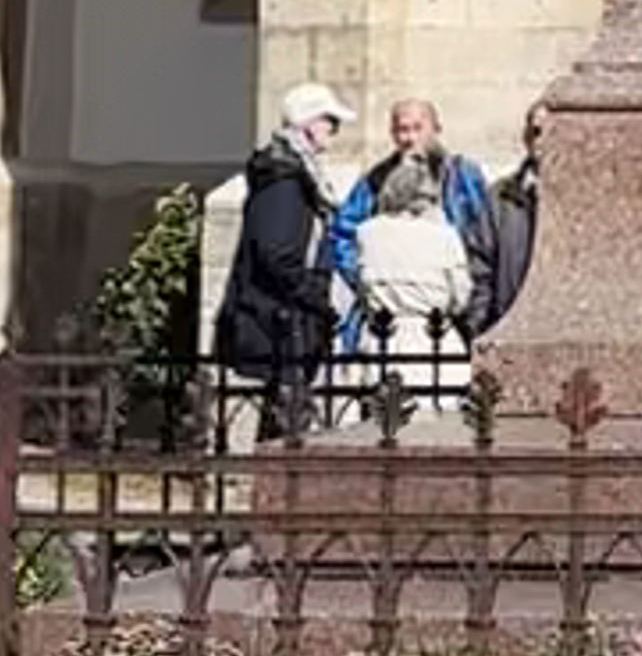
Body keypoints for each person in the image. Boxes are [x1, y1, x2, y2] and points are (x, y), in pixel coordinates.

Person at [210, 81, 347, 437]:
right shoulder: (283, 182)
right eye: (329, 121)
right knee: (283, 425)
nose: (334, 131)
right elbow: (278, 253)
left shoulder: (293, 174)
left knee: (284, 421)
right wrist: (318, 296)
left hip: (285, 320)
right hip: (277, 321)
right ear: (308, 124)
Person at [333, 97, 494, 381]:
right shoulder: (376, 179)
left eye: (417, 128)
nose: (408, 138)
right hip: (389, 314)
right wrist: (363, 278)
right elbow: (344, 234)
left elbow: (484, 234)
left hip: (452, 307)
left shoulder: (463, 175)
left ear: (435, 128)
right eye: (401, 130)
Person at [483, 101, 548, 328]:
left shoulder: (583, 194)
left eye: (553, 131)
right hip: (509, 324)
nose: (542, 140)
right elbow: (480, 264)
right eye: (536, 131)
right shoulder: (500, 196)